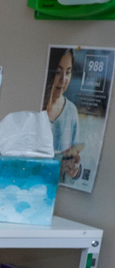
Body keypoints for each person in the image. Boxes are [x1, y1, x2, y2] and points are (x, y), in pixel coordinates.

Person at [45, 48, 86, 180]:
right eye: (58, 72)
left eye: (68, 72)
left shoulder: (71, 111)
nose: (63, 79)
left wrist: (75, 170)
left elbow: (76, 162)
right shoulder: (35, 109)